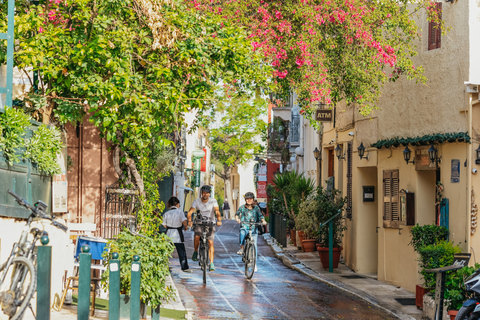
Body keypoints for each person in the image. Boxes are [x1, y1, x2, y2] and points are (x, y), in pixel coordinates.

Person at [187, 185, 222, 271]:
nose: (205, 195)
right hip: (199, 222)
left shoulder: (213, 201)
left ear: (209, 194)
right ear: (201, 193)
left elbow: (217, 211)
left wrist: (219, 220)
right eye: (204, 193)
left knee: (210, 242)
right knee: (197, 237)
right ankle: (195, 251)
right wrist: (190, 221)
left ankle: (212, 263)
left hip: (210, 223)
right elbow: (190, 212)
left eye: (207, 193)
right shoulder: (197, 201)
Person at [235, 192, 266, 271]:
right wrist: (237, 219)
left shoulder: (256, 208)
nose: (249, 200)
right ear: (245, 200)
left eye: (250, 199)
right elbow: (237, 214)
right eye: (247, 199)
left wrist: (263, 221)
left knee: (254, 245)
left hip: (253, 228)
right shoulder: (242, 207)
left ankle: (254, 263)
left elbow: (260, 215)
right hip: (245, 226)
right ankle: (242, 248)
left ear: (253, 200)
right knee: (242, 233)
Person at [163, 196, 192, 273]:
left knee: (166, 251)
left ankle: (163, 266)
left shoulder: (166, 213)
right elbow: (184, 221)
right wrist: (186, 226)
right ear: (178, 204)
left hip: (168, 234)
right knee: (181, 252)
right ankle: (184, 267)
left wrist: (170, 226)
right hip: (178, 234)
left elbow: (164, 225)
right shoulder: (180, 212)